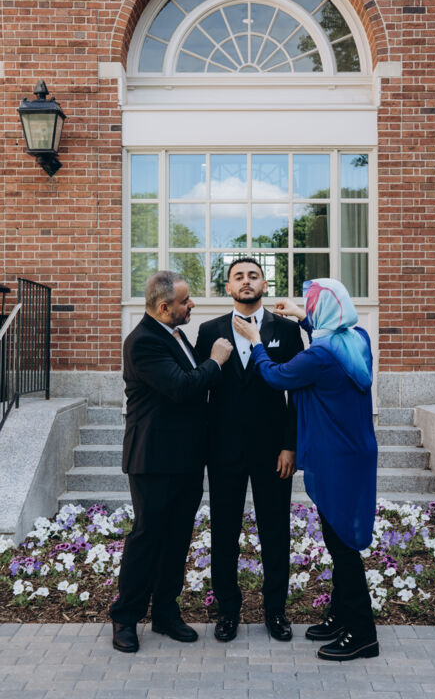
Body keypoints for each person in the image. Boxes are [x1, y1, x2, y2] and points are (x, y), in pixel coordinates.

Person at [233, 278, 379, 661]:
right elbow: (326, 335)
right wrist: (303, 318)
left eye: (310, 304)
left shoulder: (319, 357)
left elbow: (276, 375)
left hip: (336, 457)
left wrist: (256, 341)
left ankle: (362, 633)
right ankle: (341, 616)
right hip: (356, 452)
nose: (307, 309)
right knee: (340, 539)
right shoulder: (357, 340)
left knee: (342, 546)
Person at [110, 270, 233, 653]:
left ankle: (165, 612)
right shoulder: (143, 342)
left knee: (178, 537)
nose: (191, 304)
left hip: (186, 459)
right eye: (185, 301)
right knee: (147, 538)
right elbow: (182, 387)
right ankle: (125, 617)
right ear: (164, 307)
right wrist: (216, 361)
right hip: (153, 460)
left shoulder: (175, 334)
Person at [196, 258, 304, 642]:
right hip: (223, 450)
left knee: (275, 532)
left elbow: (296, 393)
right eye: (238, 277)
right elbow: (200, 390)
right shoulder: (209, 331)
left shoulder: (286, 330)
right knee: (224, 532)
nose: (246, 281)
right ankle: (228, 611)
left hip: (273, 451)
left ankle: (276, 611)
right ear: (228, 287)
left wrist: (290, 445)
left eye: (253, 276)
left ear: (264, 284)